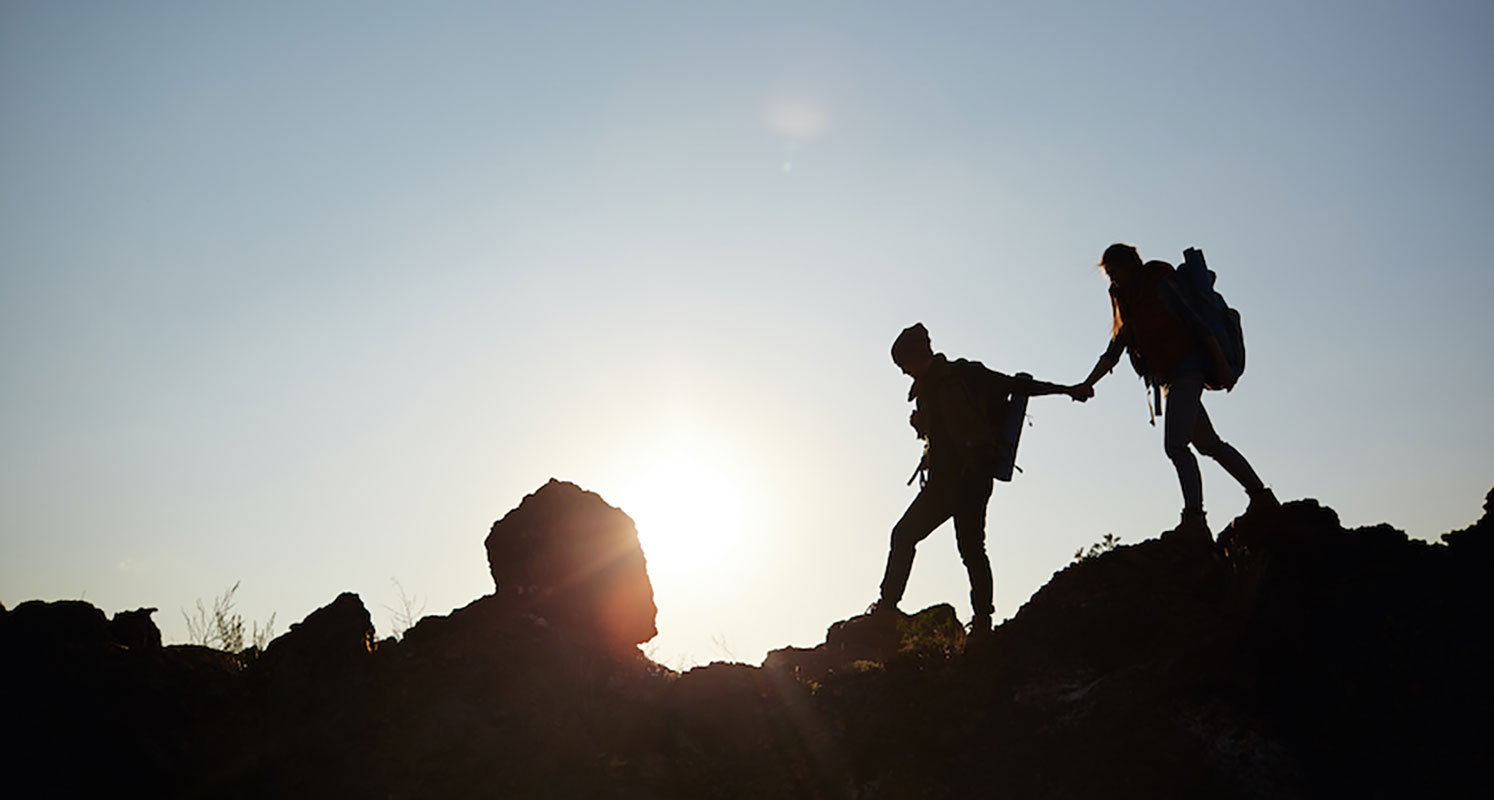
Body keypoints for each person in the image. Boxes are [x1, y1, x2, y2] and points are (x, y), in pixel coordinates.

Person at [872, 323, 1088, 636]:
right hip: (955, 480)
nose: (904, 373)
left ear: (913, 358)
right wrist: (921, 426)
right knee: (950, 545)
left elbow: (1015, 386)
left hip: (964, 478)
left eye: (903, 366)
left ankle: (907, 611)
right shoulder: (931, 389)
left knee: (940, 543)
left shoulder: (964, 375)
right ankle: (968, 619)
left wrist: (1068, 389)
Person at [1075, 243, 1277, 541]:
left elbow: (1196, 322)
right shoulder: (1128, 302)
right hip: (1169, 380)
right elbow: (1114, 350)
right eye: (1109, 276)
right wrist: (1088, 382)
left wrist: (1222, 366)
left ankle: (1195, 518)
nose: (1113, 280)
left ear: (1131, 265)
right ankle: (1261, 497)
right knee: (1209, 444)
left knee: (1176, 446)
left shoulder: (1158, 282)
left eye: (1115, 272)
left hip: (1187, 370)